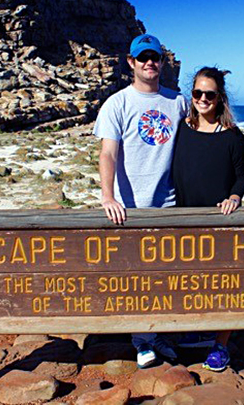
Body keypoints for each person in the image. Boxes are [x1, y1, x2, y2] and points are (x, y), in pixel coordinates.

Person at [93, 33, 187, 368]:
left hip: (169, 205)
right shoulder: (117, 104)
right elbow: (107, 153)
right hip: (129, 207)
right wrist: (108, 196)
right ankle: (141, 340)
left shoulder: (178, 102)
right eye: (143, 57)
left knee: (164, 275)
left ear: (162, 62)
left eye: (155, 57)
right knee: (134, 276)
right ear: (131, 62)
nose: (150, 63)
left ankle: (156, 333)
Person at [172, 67, 244, 371]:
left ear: (220, 98)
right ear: (191, 96)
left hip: (220, 222)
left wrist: (234, 198)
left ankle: (221, 345)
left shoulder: (233, 138)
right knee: (190, 281)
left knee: (225, 283)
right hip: (182, 217)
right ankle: (194, 330)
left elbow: (240, 178)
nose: (203, 99)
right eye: (197, 93)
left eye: (210, 94)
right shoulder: (181, 129)